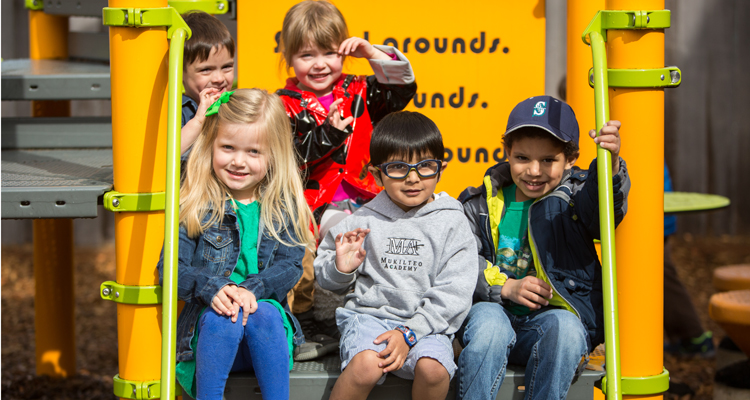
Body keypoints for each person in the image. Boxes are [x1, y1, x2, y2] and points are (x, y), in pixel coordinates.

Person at [456, 96, 630, 400]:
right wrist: (506, 288)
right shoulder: (480, 203)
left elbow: (603, 208)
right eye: (522, 158)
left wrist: (610, 164)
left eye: (548, 160)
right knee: (488, 325)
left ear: (570, 159)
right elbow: (463, 262)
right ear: (507, 153)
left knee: (566, 329)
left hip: (546, 325)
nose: (534, 171)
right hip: (494, 312)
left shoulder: (573, 200)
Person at [275, 0, 418, 359]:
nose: (320, 64)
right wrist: (329, 134)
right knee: (310, 251)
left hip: (365, 195)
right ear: (289, 58)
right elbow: (290, 154)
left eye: (328, 52)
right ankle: (310, 323)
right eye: (307, 55)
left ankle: (386, 314)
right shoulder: (282, 104)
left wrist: (373, 54)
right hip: (309, 203)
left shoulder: (359, 91)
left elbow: (401, 91)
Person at [156, 89, 316, 400]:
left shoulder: (283, 206)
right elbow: (170, 268)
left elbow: (290, 266)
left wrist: (250, 290)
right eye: (227, 147)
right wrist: (212, 288)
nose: (238, 162)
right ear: (210, 145)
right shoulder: (197, 201)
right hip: (211, 339)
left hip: (265, 337)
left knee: (265, 314)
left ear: (274, 155)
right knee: (223, 318)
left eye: (254, 152)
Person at [314, 111, 477, 400]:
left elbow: (456, 291)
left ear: (441, 168)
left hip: (426, 326)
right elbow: (327, 278)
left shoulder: (453, 221)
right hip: (369, 319)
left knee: (434, 370)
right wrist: (341, 269)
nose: (413, 178)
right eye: (398, 168)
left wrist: (409, 333)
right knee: (366, 365)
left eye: (425, 166)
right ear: (377, 174)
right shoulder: (360, 220)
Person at [663, 165, 715, 357]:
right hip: (656, 215)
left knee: (662, 277)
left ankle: (693, 336)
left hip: (649, 217)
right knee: (662, 276)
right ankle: (691, 337)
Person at [179, 11, 235, 155]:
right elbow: (170, 154)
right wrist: (198, 121)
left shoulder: (234, 104)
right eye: (206, 70)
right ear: (180, 73)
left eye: (227, 67)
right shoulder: (179, 111)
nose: (219, 78)